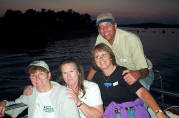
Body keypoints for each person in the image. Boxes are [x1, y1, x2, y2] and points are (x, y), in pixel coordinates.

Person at [91, 43, 167, 118]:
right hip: (111, 113)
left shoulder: (122, 73)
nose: (101, 58)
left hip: (131, 112)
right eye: (97, 57)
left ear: (111, 57)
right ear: (95, 62)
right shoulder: (97, 76)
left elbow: (141, 92)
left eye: (104, 55)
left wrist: (158, 112)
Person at [87, 12, 154, 91]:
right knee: (100, 84)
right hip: (119, 73)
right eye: (101, 27)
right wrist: (87, 82)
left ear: (115, 26)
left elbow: (144, 70)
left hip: (141, 72)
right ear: (98, 30)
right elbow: (96, 62)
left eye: (108, 25)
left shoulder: (131, 39)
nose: (105, 30)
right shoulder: (100, 38)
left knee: (140, 87)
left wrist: (137, 74)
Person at [23, 59, 104, 118]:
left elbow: (99, 115)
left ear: (78, 72)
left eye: (71, 71)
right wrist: (30, 88)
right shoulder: (60, 89)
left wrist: (78, 102)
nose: (68, 76)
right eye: (65, 73)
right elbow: (44, 84)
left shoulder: (92, 87)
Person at [0, 60, 80, 118]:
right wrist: (4, 103)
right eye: (33, 75)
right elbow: (14, 107)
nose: (37, 78)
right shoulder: (31, 93)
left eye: (41, 74)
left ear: (49, 75)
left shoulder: (64, 94)